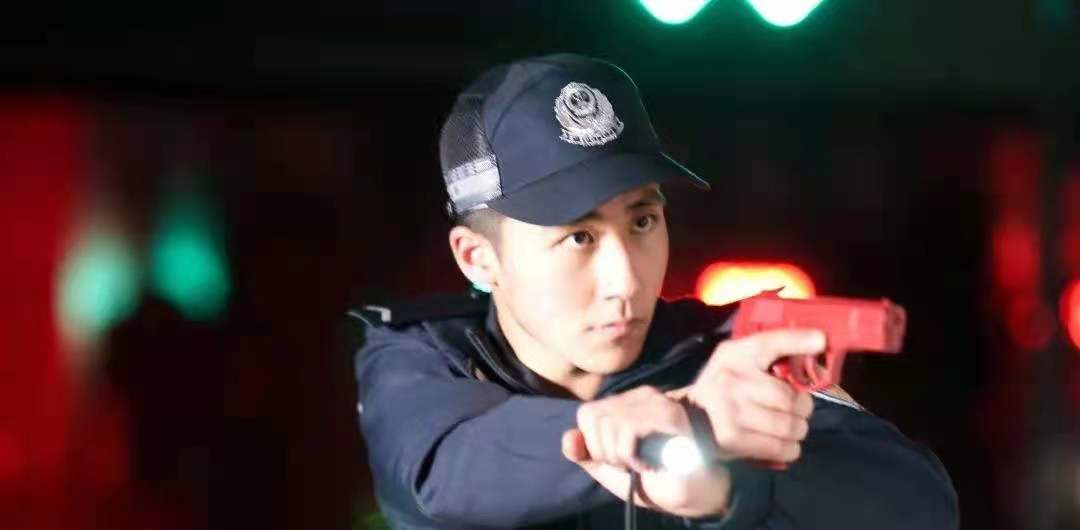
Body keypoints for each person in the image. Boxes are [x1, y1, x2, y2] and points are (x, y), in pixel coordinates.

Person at [352, 53, 958, 529]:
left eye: (642, 221)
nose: (626, 279)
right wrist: (665, 426)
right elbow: (445, 470)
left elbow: (919, 509)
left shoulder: (728, 356)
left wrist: (726, 489)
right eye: (579, 238)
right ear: (478, 258)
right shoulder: (422, 359)